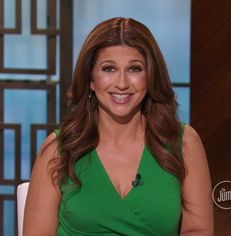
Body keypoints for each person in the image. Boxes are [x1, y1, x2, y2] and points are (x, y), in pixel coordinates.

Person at [23, 17, 214, 236]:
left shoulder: (184, 142)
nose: (122, 83)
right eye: (109, 69)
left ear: (150, 77)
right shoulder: (58, 149)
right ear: (91, 80)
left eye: (134, 69)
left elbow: (198, 230)